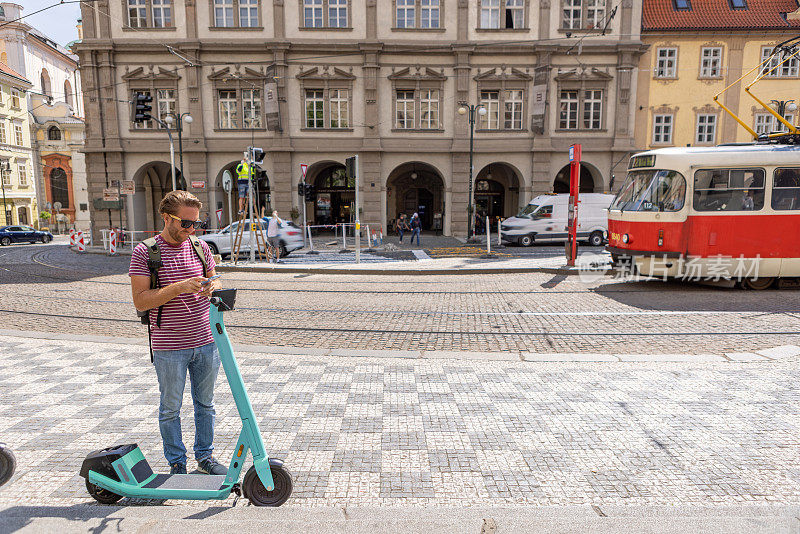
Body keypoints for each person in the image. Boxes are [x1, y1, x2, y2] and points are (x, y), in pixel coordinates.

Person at [129, 190, 225, 476]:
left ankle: (205, 458)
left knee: (205, 405)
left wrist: (212, 287)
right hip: (169, 345)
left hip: (207, 341)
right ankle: (177, 463)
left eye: (196, 223)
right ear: (166, 218)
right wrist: (180, 287)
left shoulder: (200, 246)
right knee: (170, 408)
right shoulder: (145, 251)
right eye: (185, 223)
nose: (191, 229)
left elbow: (216, 280)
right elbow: (140, 300)